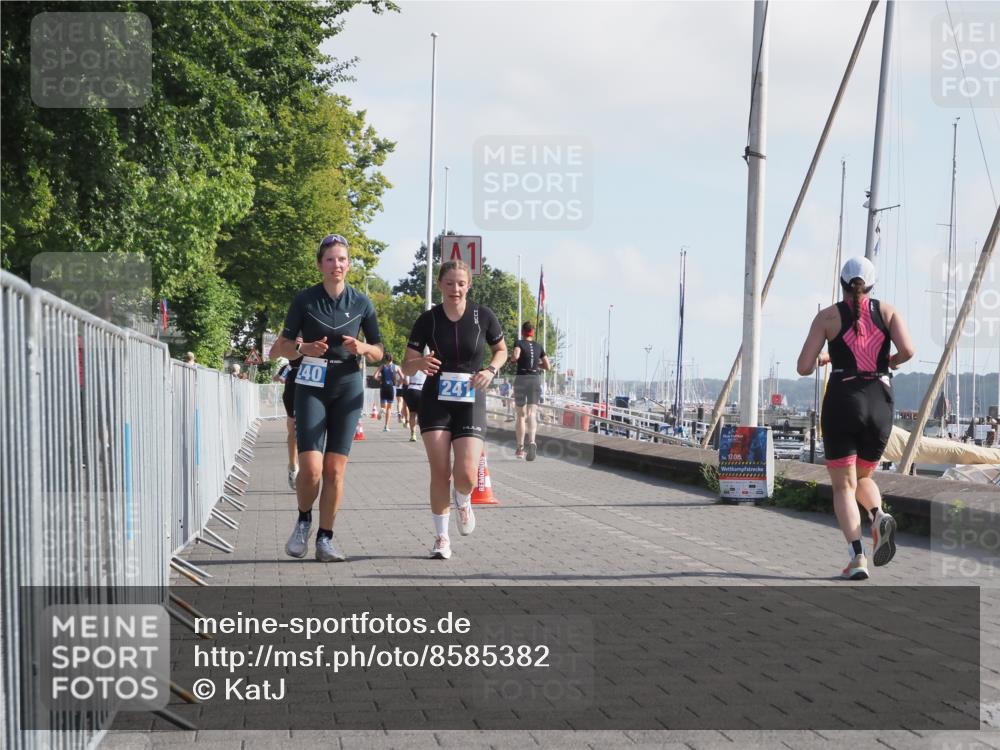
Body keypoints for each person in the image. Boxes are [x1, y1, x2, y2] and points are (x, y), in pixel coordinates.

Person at [796, 256, 914, 580]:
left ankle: (857, 557)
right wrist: (889, 360)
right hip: (880, 400)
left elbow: (803, 367)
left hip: (843, 400)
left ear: (842, 284)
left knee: (843, 487)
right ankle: (878, 517)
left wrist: (825, 356)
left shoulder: (827, 316)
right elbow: (908, 350)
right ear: (872, 284)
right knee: (862, 478)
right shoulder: (888, 312)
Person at [271, 233, 384, 562]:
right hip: (311, 382)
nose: (337, 265)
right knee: (312, 469)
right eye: (331, 259)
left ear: (349, 265)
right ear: (320, 264)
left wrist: (363, 348)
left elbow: (379, 351)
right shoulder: (305, 300)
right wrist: (302, 348)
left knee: (335, 470)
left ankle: (325, 538)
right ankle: (304, 519)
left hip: (347, 383)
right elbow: (280, 347)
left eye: (343, 259)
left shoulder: (361, 303)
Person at [402, 260, 507, 560]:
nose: (455, 289)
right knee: (440, 471)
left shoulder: (483, 316)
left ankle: (463, 499)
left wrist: (490, 370)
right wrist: (420, 363)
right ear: (440, 285)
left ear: (469, 285)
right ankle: (441, 538)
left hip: (471, 398)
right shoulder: (428, 320)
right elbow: (406, 365)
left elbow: (500, 350)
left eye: (461, 283)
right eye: (449, 283)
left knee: (466, 475)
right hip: (436, 399)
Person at [512, 321, 551, 460]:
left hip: (522, 378)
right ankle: (532, 441)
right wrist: (536, 364)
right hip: (535, 379)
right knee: (532, 414)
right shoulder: (539, 346)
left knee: (521, 415)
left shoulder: (519, 343)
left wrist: (513, 359)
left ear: (523, 332)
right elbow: (548, 366)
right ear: (532, 332)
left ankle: (520, 448)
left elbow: (516, 356)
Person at [270, 347, 303, 490]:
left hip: (314, 389)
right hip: (293, 393)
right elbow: (278, 378)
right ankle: (293, 466)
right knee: (294, 432)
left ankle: (307, 467)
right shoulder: (288, 366)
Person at [374, 354, 401, 432]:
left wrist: (380, 379)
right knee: (389, 408)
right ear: (392, 359)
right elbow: (402, 377)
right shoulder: (396, 367)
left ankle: (382, 409)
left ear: (385, 359)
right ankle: (386, 426)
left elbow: (375, 376)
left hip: (383, 387)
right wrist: (399, 382)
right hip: (391, 387)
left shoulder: (382, 366)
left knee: (384, 406)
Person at [402, 367, 426, 442]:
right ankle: (424, 433)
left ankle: (413, 434)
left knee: (412, 413)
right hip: (421, 389)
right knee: (422, 414)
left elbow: (406, 381)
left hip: (411, 389)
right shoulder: (425, 367)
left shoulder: (411, 367)